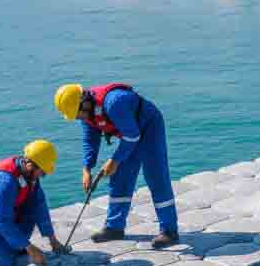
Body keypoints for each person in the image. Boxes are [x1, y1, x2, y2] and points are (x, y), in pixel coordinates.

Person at [54, 82, 178, 248]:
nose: (78, 118)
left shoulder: (115, 102)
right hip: (129, 135)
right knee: (120, 178)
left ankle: (169, 231)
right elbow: (90, 140)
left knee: (156, 178)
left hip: (149, 128)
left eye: (77, 114)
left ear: (84, 102)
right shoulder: (86, 113)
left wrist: (115, 160)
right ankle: (114, 228)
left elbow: (132, 135)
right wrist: (87, 168)